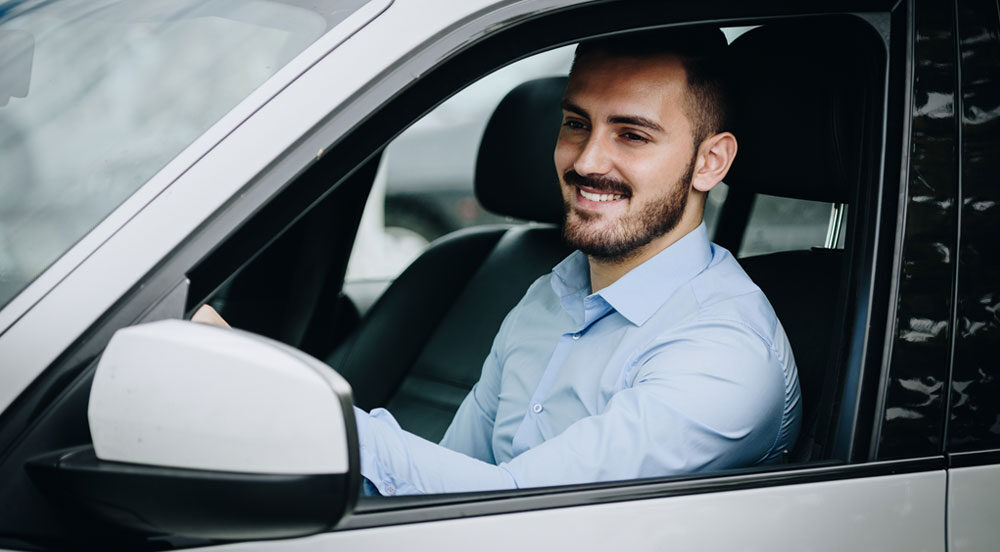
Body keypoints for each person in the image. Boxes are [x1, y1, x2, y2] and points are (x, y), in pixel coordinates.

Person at [196, 28, 802, 496]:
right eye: (575, 123)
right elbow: (452, 482)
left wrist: (263, 394)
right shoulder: (548, 294)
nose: (587, 160)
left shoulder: (725, 356)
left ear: (710, 163)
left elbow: (514, 505)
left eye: (632, 135)